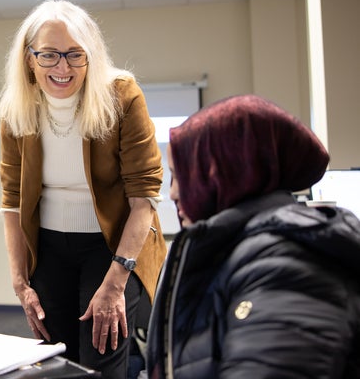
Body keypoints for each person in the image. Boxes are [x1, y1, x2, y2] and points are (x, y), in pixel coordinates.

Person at [0, 0, 167, 377]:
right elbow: (11, 201)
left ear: (91, 56)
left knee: (100, 356)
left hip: (114, 247)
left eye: (75, 54)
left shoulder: (121, 96)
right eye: (49, 55)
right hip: (49, 248)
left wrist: (117, 281)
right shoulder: (16, 110)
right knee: (56, 361)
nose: (63, 67)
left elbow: (144, 200)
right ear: (29, 58)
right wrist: (19, 281)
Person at [146, 94, 360, 378]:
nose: (172, 193)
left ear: (226, 172)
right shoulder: (235, 250)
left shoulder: (286, 260)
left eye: (181, 175)